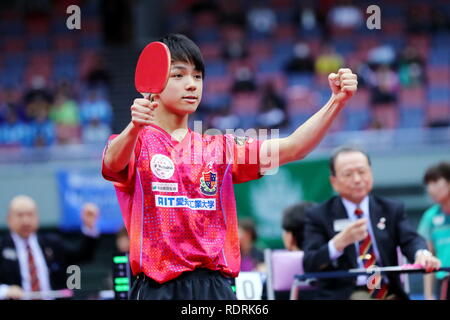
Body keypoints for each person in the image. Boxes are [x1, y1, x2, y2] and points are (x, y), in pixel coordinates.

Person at [102, 33, 358, 300]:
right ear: (154, 84)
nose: (191, 85)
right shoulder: (135, 143)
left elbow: (294, 147)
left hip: (217, 288)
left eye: (197, 76)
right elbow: (113, 164)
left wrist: (335, 102)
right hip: (157, 289)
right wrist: (133, 128)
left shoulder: (221, 148)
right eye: (178, 75)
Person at [303, 146, 441, 300]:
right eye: (348, 174)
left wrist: (422, 254)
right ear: (334, 181)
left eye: (362, 172)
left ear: (371, 174)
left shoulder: (391, 209)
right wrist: (338, 243)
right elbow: (310, 262)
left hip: (387, 291)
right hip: (345, 293)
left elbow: (410, 239)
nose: (357, 179)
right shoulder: (319, 215)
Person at [0, 196, 100, 300]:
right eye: (20, 215)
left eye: (30, 215)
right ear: (9, 219)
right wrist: (6, 291)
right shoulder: (2, 246)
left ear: (37, 217)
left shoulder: (52, 243)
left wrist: (89, 227)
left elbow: (83, 255)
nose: (26, 221)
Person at [418, 162, 450, 300]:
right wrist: (428, 294)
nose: (430, 189)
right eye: (428, 184)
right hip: (445, 279)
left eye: (435, 182)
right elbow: (428, 257)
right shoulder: (430, 217)